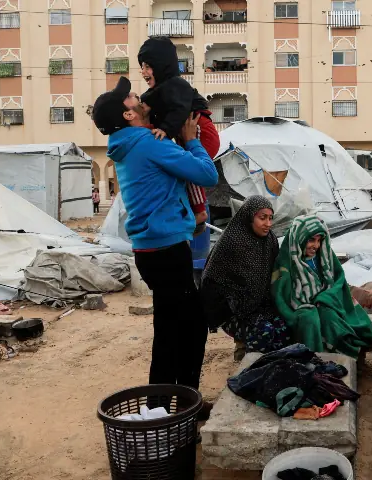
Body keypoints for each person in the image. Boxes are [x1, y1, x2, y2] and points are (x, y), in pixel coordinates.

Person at [91, 77, 218, 396]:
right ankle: (182, 405)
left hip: (152, 251)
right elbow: (207, 174)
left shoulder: (129, 145)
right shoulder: (147, 143)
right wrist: (191, 140)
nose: (137, 97)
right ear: (128, 115)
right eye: (130, 98)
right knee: (191, 329)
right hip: (167, 250)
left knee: (168, 332)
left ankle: (162, 408)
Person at [138, 37, 220, 233]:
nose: (143, 72)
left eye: (148, 67)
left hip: (199, 129)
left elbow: (179, 110)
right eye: (141, 67)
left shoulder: (176, 85)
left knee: (188, 170)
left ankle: (199, 211)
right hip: (189, 131)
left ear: (161, 66)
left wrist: (164, 129)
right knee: (182, 169)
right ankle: (193, 209)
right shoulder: (160, 90)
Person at [271, 214, 372, 358]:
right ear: (299, 238)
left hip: (326, 302)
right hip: (300, 307)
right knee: (309, 319)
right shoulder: (287, 261)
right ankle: (314, 359)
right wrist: (304, 305)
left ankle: (340, 358)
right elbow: (281, 295)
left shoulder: (325, 255)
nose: (316, 245)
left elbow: (338, 280)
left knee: (330, 316)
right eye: (311, 240)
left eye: (319, 240)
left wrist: (325, 297)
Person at [200, 196, 291, 361]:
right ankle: (250, 366)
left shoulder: (269, 240)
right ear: (249, 217)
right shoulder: (232, 242)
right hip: (231, 309)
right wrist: (239, 304)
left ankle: (271, 365)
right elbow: (211, 282)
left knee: (283, 328)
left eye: (270, 218)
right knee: (264, 331)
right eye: (262, 218)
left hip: (260, 304)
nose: (268, 224)